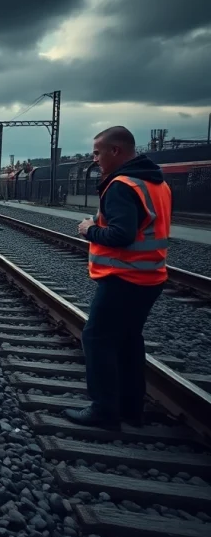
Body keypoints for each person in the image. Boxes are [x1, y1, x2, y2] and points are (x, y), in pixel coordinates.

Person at [68, 126, 171, 429]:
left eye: (98, 152)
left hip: (124, 277)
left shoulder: (122, 186)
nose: (94, 157)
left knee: (97, 338)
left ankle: (104, 411)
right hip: (150, 276)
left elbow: (121, 235)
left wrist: (89, 229)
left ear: (116, 151)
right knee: (128, 340)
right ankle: (130, 408)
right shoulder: (155, 183)